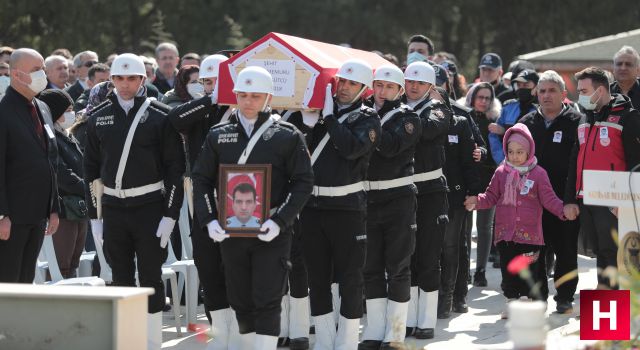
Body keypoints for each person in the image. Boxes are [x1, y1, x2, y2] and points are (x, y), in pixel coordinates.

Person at [192, 65, 313, 349]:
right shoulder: (218, 134)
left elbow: (303, 182)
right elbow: (201, 178)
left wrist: (281, 220)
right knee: (239, 297)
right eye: (243, 95)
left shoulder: (287, 134)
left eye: (255, 96)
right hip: (231, 230)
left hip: (271, 229)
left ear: (268, 98)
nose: (248, 101)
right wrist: (209, 219)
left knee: (268, 297)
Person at [83, 53, 185, 349]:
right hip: (114, 209)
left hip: (150, 207)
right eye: (118, 78)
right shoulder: (98, 115)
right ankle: (129, 340)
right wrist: (94, 217)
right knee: (121, 276)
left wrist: (171, 214)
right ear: (111, 80)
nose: (124, 84)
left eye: (131, 78)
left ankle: (152, 340)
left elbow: (174, 169)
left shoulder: (160, 115)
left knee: (152, 275)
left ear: (144, 80)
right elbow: (90, 169)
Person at [298, 59, 380, 349]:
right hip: (313, 208)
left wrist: (330, 119)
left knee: (350, 278)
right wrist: (307, 125)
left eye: (352, 84)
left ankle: (346, 341)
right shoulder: (317, 113)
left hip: (348, 209)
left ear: (363, 90)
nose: (344, 88)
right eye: (341, 82)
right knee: (317, 277)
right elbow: (294, 151)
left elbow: (351, 149)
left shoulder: (369, 119)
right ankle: (323, 339)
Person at [166, 53, 237, 349]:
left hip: (237, 196)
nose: (208, 86)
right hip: (203, 196)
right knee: (207, 263)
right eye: (205, 81)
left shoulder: (239, 107)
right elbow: (174, 118)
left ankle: (239, 327)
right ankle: (218, 329)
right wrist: (210, 99)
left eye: (214, 81)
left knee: (234, 265)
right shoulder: (199, 109)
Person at [464, 123, 570, 318]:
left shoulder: (539, 174)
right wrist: (476, 201)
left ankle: (535, 302)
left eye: (520, 152)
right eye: (511, 151)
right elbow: (490, 196)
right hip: (506, 235)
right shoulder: (501, 173)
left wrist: (563, 210)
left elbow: (549, 199)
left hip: (530, 236)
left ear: (529, 150)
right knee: (509, 271)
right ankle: (512, 302)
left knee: (532, 271)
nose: (514, 156)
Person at [358, 65, 421, 349]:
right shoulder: (362, 113)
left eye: (388, 87)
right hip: (368, 199)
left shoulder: (408, 118)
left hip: (398, 199)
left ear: (399, 90)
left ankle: (395, 333)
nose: (382, 92)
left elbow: (391, 146)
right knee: (370, 267)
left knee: (398, 267)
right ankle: (374, 330)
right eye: (378, 86)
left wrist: (368, 124)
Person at [564, 67, 640, 290]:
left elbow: (637, 164)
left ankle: (610, 315)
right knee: (601, 253)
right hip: (587, 198)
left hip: (615, 201)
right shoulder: (584, 119)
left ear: (600, 90)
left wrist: (626, 201)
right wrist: (570, 198)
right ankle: (605, 313)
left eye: (584, 90)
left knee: (615, 255)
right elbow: (574, 161)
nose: (581, 96)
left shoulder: (629, 117)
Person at [519, 70, 581, 313]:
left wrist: (571, 199)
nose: (546, 95)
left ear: (563, 94)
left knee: (566, 251)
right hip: (532, 202)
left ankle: (564, 297)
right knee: (534, 253)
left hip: (564, 201)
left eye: (552, 90)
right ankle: (538, 297)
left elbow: (578, 166)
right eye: (542, 91)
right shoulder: (526, 123)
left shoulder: (577, 122)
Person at [0, 48, 60, 283]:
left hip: (38, 213)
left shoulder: (42, 108)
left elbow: (50, 160)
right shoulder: (3, 112)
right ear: (16, 75)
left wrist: (53, 207)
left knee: (26, 280)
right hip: (12, 216)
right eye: (36, 70)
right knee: (7, 280)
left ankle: (19, 322)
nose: (42, 75)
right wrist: (2, 215)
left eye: (43, 68)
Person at [403, 61, 452, 339]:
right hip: (402, 191)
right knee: (405, 257)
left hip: (431, 192)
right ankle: (408, 317)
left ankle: (426, 320)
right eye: (409, 81)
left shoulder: (439, 110)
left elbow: (428, 130)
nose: (413, 87)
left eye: (420, 83)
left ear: (430, 87)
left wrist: (403, 118)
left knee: (429, 256)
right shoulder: (396, 109)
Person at [39, 89, 89, 279]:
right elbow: (59, 171)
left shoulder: (67, 134)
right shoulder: (48, 137)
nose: (71, 114)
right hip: (62, 207)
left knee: (73, 262)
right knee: (61, 265)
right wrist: (86, 188)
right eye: (67, 109)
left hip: (78, 206)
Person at [439, 92, 481, 319]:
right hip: (427, 196)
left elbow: (473, 156)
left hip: (456, 196)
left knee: (453, 247)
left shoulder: (462, 119)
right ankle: (434, 297)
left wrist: (474, 193)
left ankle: (454, 296)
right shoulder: (416, 118)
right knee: (431, 249)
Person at [462, 82, 502, 287]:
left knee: (485, 227)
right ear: (472, 97)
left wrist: (502, 129)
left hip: (489, 177)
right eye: (481, 97)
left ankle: (480, 270)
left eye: (488, 98)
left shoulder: (495, 120)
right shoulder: (463, 117)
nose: (484, 101)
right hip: (467, 178)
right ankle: (465, 269)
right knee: (466, 227)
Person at [489, 69, 539, 165]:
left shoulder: (542, 110)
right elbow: (494, 135)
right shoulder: (508, 107)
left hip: (533, 166)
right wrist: (503, 160)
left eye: (525, 85)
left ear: (536, 87)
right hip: (506, 164)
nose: (521, 88)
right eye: (519, 85)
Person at [610, 45, 640, 110]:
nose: (623, 68)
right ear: (613, 69)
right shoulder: (605, 93)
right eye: (619, 64)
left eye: (628, 64)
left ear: (638, 70)